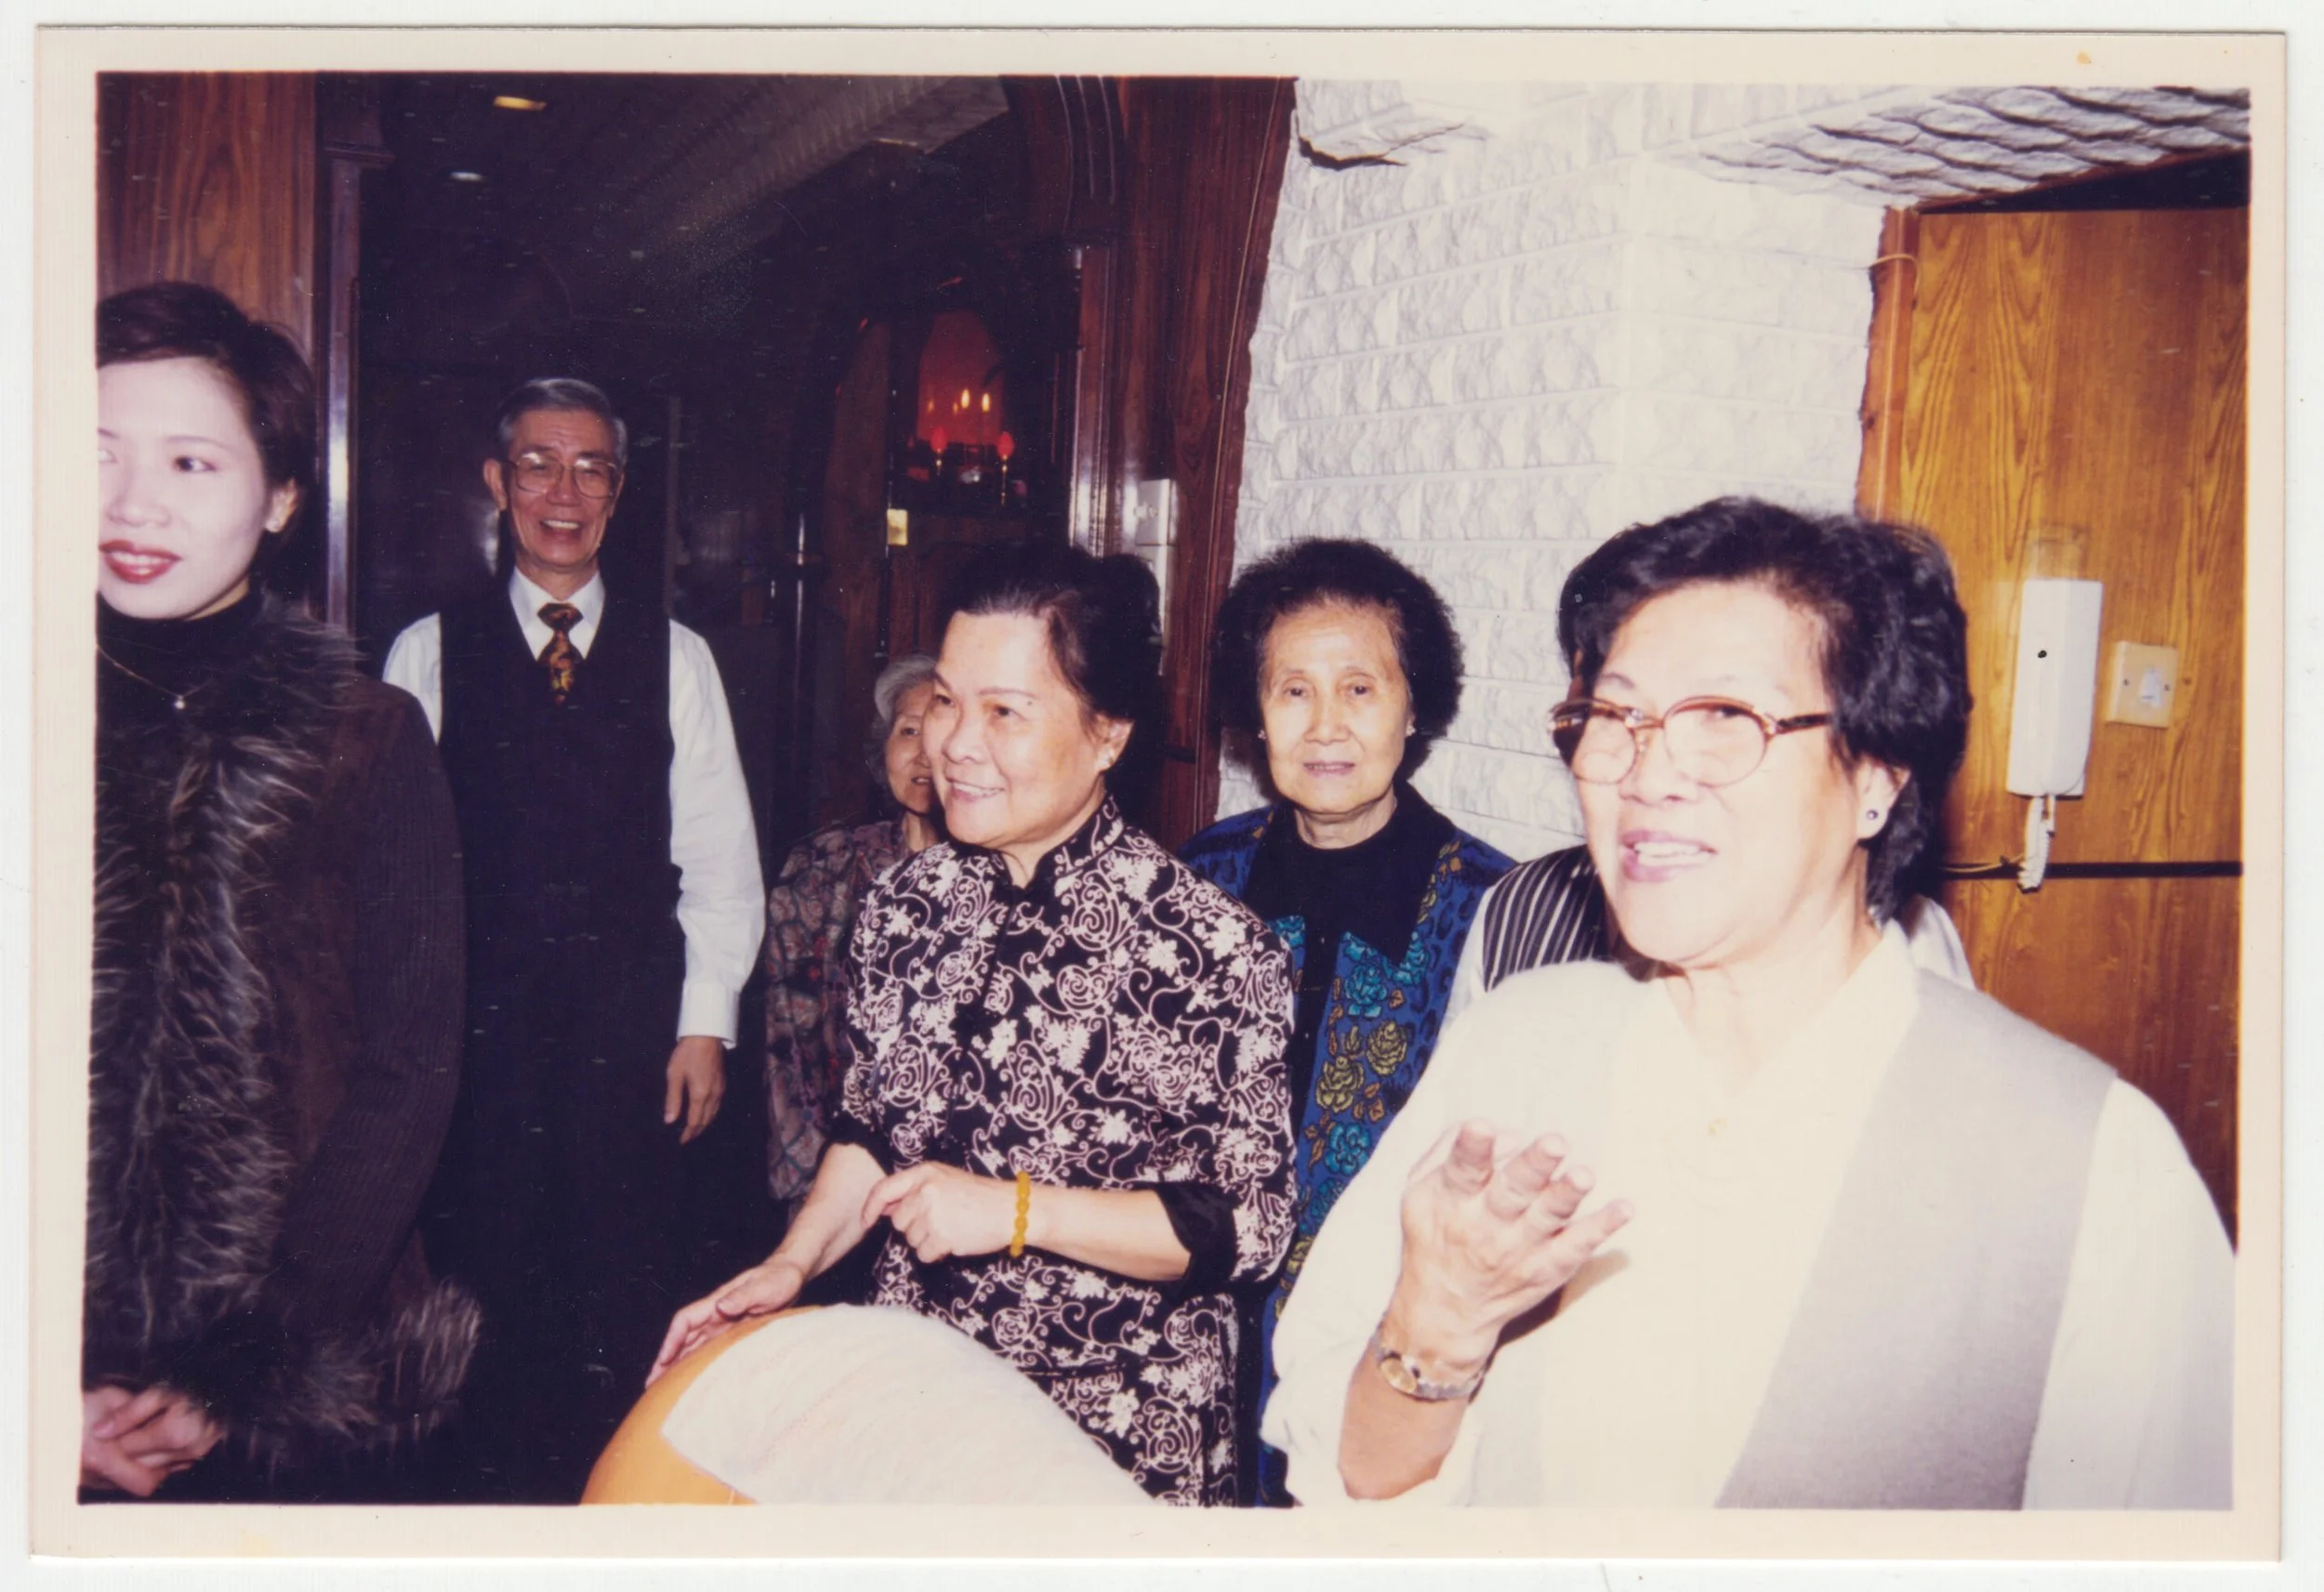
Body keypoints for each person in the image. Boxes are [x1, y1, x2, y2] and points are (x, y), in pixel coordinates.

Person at [1266, 497, 2232, 1509]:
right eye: (1616, 719)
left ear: (1876, 775)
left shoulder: (2089, 1159)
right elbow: (1348, 1481)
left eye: (1727, 720)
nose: (1647, 775)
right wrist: (1435, 1330)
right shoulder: (1512, 1046)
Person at [654, 544, 1297, 1506]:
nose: (955, 743)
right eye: (950, 701)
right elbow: (873, 1129)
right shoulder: (905, 904)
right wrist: (792, 1263)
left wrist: (1016, 1211)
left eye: (1005, 712)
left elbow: (1247, 1225)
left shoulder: (1206, 946)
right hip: (919, 1406)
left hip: (1109, 1438)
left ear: (1108, 733)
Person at [83, 282, 474, 1501]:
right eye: (93, 452)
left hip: (296, 1359)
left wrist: (244, 1367)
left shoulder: (366, 736)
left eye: (191, 462)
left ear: (282, 496)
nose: (131, 503)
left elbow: (410, 1069)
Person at [382, 377, 765, 1502]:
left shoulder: (678, 657)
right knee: (479, 1307)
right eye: (539, 465)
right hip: (473, 1052)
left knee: (622, 1302)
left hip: (630, 1048)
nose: (565, 491)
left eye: (591, 468)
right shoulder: (426, 652)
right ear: (498, 484)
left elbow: (719, 857)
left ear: (618, 492)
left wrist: (705, 1026)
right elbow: (389, 879)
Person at [1180, 537, 1511, 1503]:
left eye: (1359, 689)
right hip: (1192, 1335)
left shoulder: (1488, 910)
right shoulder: (1202, 878)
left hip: (1373, 1362)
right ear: (1257, 714)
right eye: (1294, 691)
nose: (1325, 725)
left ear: (1413, 708)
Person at [763, 652, 943, 1214]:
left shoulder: (1007, 880)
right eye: (908, 731)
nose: (923, 753)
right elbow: (790, 1042)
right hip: (835, 1176)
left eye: (940, 729)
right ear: (882, 749)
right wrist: (809, 1186)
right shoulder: (823, 868)